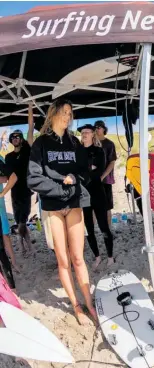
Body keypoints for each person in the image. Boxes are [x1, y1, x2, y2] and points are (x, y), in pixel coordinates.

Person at [27, 98, 97, 326]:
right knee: (63, 260)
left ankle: (89, 303)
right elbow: (33, 178)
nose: (68, 116)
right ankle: (76, 305)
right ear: (54, 113)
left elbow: (84, 171)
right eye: (64, 112)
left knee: (78, 257)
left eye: (70, 113)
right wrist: (59, 188)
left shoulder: (74, 143)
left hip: (74, 202)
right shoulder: (41, 144)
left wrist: (75, 178)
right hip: (53, 207)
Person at [0, 104, 35, 254]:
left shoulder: (27, 149)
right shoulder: (8, 157)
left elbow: (31, 128)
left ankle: (27, 246)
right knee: (18, 220)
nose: (15, 139)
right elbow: (7, 176)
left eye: (17, 137)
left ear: (21, 139)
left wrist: (30, 109)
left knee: (22, 221)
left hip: (26, 191)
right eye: (13, 137)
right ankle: (24, 244)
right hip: (14, 192)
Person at [79, 124, 115, 269]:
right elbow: (78, 172)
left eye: (87, 132)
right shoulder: (78, 151)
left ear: (93, 134)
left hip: (98, 193)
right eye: (82, 133)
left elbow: (99, 171)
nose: (84, 134)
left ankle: (110, 256)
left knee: (104, 227)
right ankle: (97, 256)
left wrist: (86, 171)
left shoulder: (99, 151)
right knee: (89, 228)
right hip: (84, 194)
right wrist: (89, 168)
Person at [94, 120, 117, 227]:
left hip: (106, 180)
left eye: (99, 127)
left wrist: (102, 176)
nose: (97, 129)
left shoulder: (109, 144)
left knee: (107, 206)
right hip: (93, 179)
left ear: (104, 129)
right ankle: (93, 229)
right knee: (93, 205)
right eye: (95, 127)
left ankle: (108, 229)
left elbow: (112, 162)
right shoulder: (91, 143)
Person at [0, 156, 19, 274]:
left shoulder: (0, 158)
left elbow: (8, 178)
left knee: (5, 234)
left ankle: (14, 262)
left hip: (0, 206)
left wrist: (2, 194)